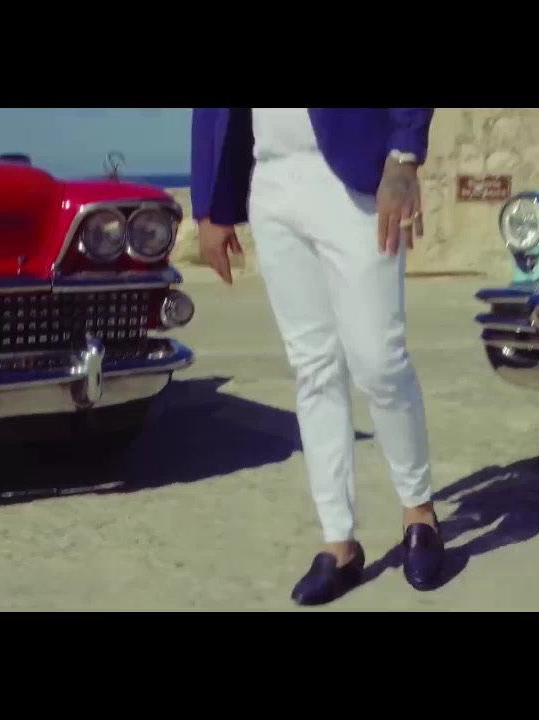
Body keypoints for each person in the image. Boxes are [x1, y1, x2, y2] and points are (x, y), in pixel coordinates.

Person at [189, 108, 444, 606]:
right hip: (272, 179)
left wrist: (404, 156)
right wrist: (209, 207)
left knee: (378, 361)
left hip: (355, 179)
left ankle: (419, 513)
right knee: (313, 368)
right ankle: (338, 542)